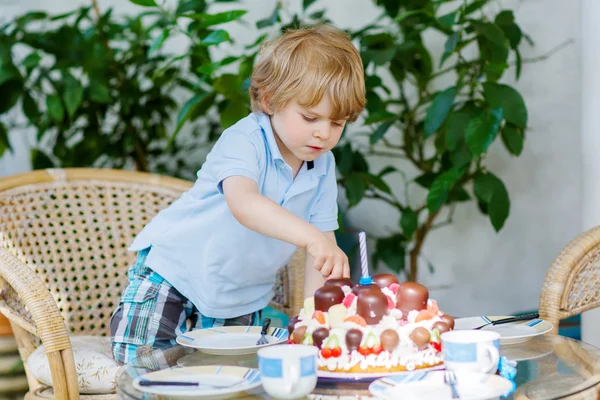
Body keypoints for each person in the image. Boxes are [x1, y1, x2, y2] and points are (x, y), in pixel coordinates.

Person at [110, 23, 366, 364]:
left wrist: (313, 321)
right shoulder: (244, 139)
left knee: (229, 373)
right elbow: (244, 204)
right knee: (138, 359)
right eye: (310, 117)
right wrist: (313, 238)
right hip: (174, 273)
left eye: (337, 123)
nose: (323, 133)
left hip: (239, 296)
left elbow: (323, 254)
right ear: (270, 100)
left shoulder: (322, 165)